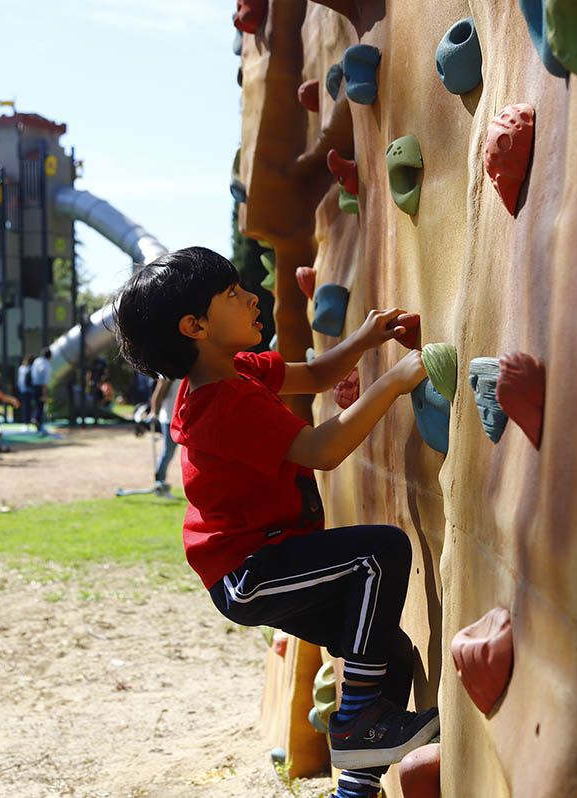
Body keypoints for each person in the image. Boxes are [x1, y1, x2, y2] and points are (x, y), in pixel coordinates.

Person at [113, 247, 437, 796]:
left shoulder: (236, 370)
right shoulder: (222, 404)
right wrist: (394, 383)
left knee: (390, 656)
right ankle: (357, 724)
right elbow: (322, 448)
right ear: (195, 326)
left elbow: (312, 374)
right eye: (232, 294)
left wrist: (366, 337)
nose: (250, 298)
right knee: (379, 552)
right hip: (251, 571)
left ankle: (354, 787)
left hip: (270, 559)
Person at [148, 376, 179, 497]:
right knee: (168, 452)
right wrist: (154, 412)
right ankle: (160, 484)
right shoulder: (169, 367)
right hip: (169, 417)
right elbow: (159, 390)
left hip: (184, 416)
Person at [29, 348, 52, 436]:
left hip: (34, 386)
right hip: (40, 387)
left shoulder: (37, 361)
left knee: (37, 405)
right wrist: (44, 394)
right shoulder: (46, 365)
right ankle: (39, 424)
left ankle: (36, 422)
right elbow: (44, 382)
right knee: (41, 406)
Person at [16, 355, 34, 426]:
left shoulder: (22, 368)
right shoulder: (27, 368)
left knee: (26, 407)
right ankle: (26, 422)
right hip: (26, 390)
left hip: (24, 390)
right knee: (26, 407)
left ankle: (27, 421)